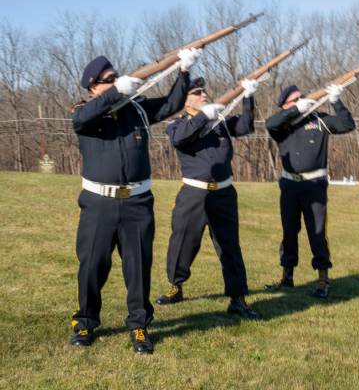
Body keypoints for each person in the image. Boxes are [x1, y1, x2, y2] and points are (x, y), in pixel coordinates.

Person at [70, 48, 200, 353]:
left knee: (138, 267)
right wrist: (116, 92)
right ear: (93, 87)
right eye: (109, 80)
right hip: (99, 203)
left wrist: (183, 71)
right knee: (92, 265)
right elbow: (81, 120)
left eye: (117, 77)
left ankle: (139, 325)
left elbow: (171, 104)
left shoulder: (137, 108)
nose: (116, 81)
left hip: (138, 203)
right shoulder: (86, 111)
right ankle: (85, 321)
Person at [155, 77, 260, 320]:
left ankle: (237, 298)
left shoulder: (220, 120)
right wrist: (204, 116)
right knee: (183, 242)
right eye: (198, 92)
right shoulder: (177, 123)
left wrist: (248, 97)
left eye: (204, 91)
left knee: (229, 246)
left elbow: (245, 126)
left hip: (223, 192)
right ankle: (175, 285)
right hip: (194, 193)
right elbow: (180, 138)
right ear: (186, 100)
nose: (204, 95)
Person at [264, 84, 356, 298]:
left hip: (314, 185)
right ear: (285, 105)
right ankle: (287, 277)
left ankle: (323, 280)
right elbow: (270, 123)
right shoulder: (283, 126)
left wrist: (336, 101)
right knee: (289, 231)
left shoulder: (319, 119)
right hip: (289, 185)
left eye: (301, 98)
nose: (300, 101)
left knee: (317, 233)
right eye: (294, 100)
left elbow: (347, 124)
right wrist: (295, 110)